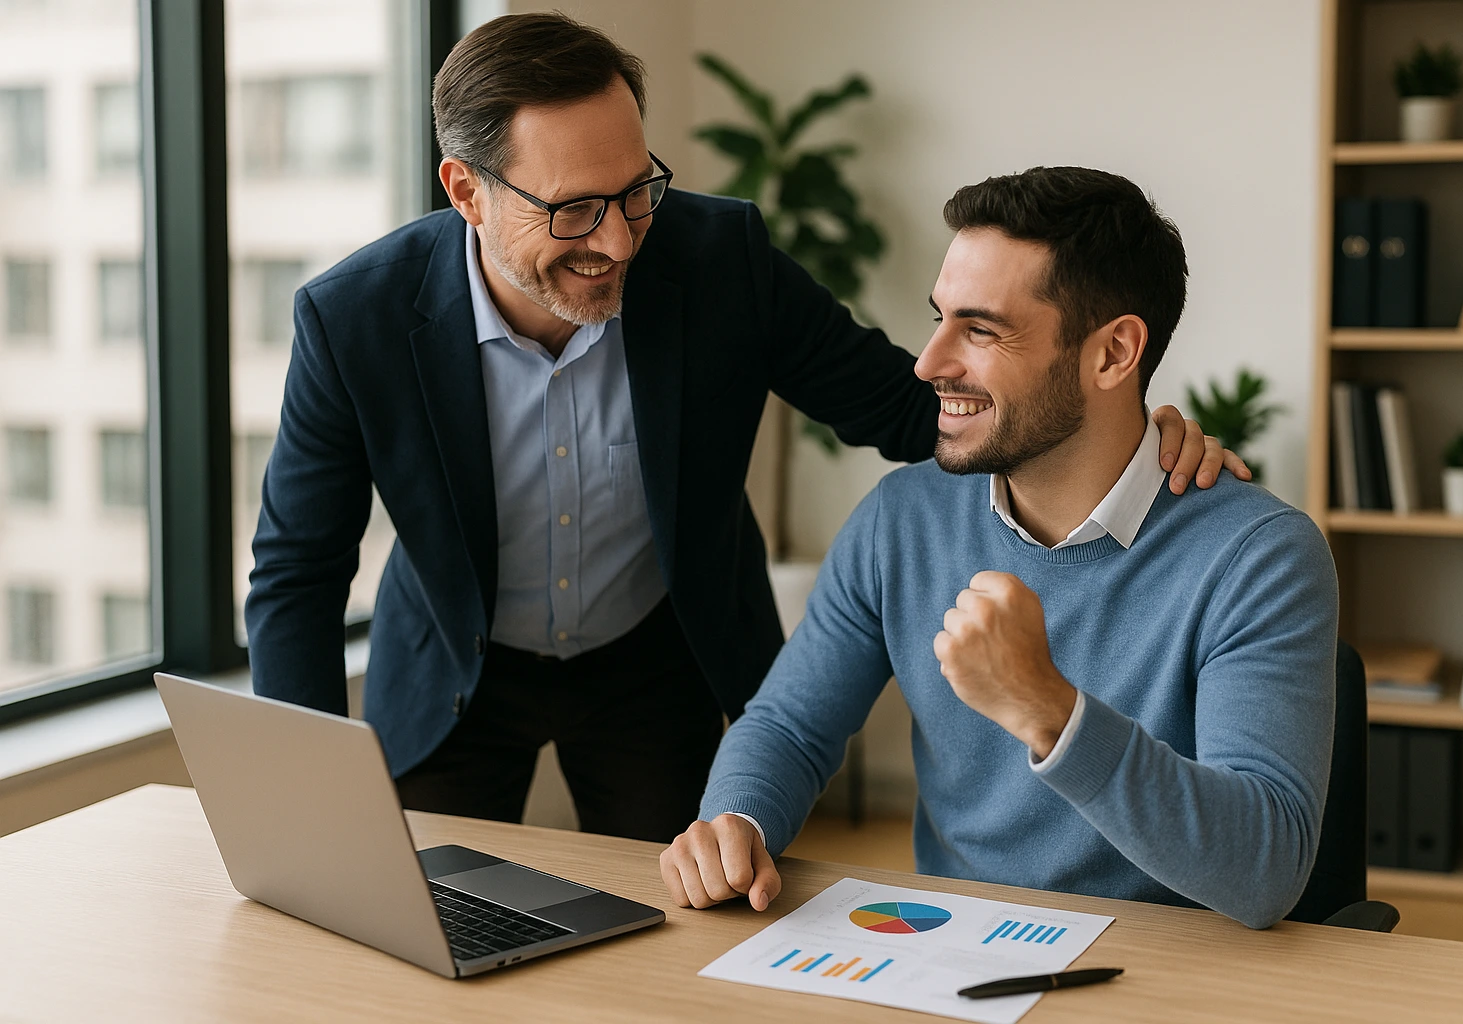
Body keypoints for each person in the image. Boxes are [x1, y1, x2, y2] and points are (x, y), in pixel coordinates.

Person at [245, 14, 1245, 844]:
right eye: (576, 209)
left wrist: (1123, 431)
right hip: (456, 675)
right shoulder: (355, 318)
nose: (619, 239)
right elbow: (298, 572)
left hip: (656, 661)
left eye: (637, 191)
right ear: (465, 191)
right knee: (424, 940)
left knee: (675, 932)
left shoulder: (719, 259)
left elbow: (911, 409)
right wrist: (300, 804)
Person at [659, 166, 1338, 929]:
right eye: (940, 318)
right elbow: (789, 725)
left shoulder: (1258, 557)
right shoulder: (902, 519)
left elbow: (1268, 868)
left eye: (980, 330)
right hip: (954, 957)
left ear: (1114, 354)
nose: (928, 362)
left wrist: (1051, 710)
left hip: (1171, 977)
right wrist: (735, 825)